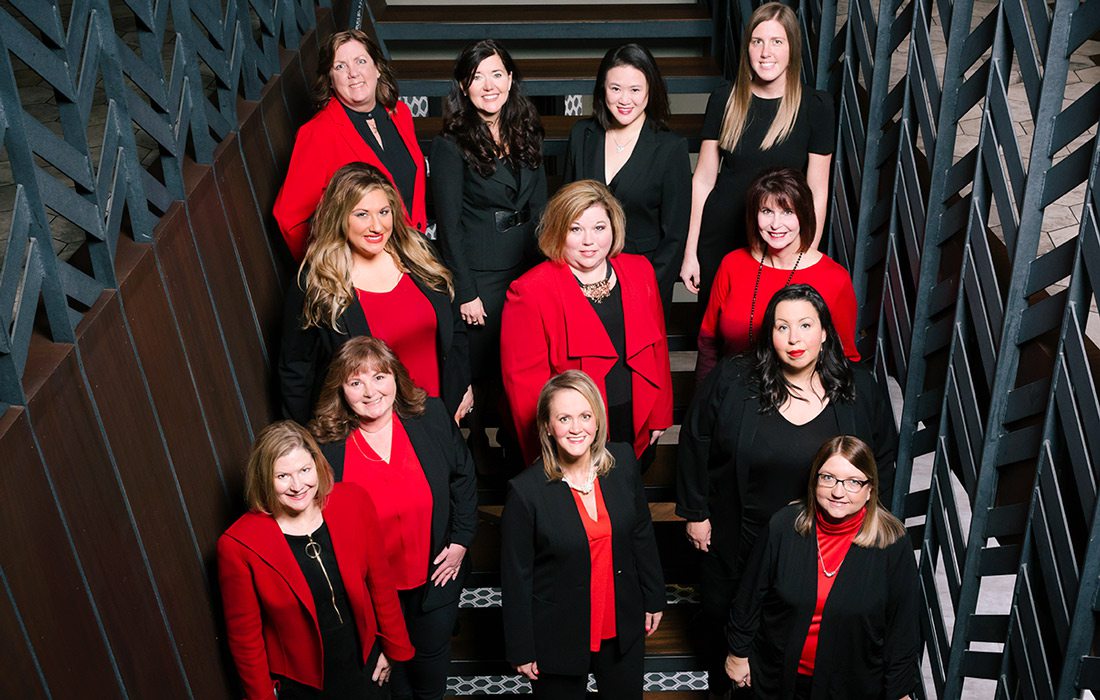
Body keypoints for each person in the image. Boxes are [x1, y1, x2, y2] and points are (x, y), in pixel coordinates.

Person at [676, 284, 897, 698]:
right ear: (769, 333)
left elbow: (882, 458)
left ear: (825, 332)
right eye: (782, 327)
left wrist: (868, 521)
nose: (794, 339)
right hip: (739, 535)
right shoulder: (734, 378)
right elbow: (696, 440)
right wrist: (695, 512)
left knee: (800, 645)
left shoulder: (860, 388)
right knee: (730, 643)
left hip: (823, 545)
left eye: (805, 325)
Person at [310, 336, 477, 700]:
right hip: (373, 591)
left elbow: (462, 476)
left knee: (430, 674)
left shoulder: (430, 416)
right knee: (392, 682)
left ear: (396, 378)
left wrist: (461, 540)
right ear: (340, 390)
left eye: (380, 377)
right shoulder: (325, 447)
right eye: (356, 382)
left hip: (436, 575)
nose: (371, 392)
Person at [218, 421, 415, 699]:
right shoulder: (239, 545)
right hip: (301, 685)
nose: (298, 485)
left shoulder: (353, 501)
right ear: (263, 479)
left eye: (304, 470)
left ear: (317, 465)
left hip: (365, 665)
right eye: (282, 476)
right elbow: (245, 640)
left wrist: (392, 648)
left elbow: (380, 581)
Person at [501, 370, 665, 699]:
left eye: (585, 416)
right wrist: (522, 647)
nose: (576, 428)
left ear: (598, 419)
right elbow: (516, 577)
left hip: (621, 624)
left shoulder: (623, 463)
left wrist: (654, 596)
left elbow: (641, 534)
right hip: (558, 633)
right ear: (548, 426)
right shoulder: (525, 492)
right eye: (564, 418)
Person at [726, 435, 919, 699]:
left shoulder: (892, 542)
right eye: (828, 478)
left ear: (870, 490)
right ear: (814, 480)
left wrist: (900, 690)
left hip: (851, 685)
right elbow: (749, 597)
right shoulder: (784, 526)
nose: (838, 492)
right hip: (777, 678)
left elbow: (903, 625)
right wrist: (737, 653)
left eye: (853, 482)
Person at [279, 163, 472, 427]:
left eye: (383, 212)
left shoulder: (419, 253)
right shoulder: (315, 283)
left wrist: (461, 386)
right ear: (340, 217)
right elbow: (296, 371)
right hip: (368, 430)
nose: (376, 226)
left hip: (440, 417)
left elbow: (454, 325)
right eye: (361, 214)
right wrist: (307, 443)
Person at [500, 180, 673, 465]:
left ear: (613, 227)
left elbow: (658, 349)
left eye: (599, 228)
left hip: (635, 417)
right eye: (575, 229)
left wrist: (660, 414)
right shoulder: (529, 291)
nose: (589, 241)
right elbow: (524, 389)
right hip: (574, 432)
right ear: (558, 231)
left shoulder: (639, 270)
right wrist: (545, 450)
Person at [430, 39, 547, 460]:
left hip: (525, 269)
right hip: (480, 277)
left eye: (496, 73)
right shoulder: (449, 145)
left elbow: (541, 208)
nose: (488, 84)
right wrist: (465, 290)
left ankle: (520, 452)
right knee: (482, 374)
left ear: (511, 78)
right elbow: (449, 226)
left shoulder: (527, 131)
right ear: (463, 86)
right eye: (477, 77)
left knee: (521, 369)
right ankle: (476, 455)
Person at [680, 2, 835, 308]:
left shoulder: (815, 106)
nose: (766, 52)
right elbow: (702, 181)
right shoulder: (725, 98)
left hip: (780, 241)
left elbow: (817, 190)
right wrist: (690, 251)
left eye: (777, 41)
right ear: (747, 47)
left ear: (792, 48)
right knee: (718, 340)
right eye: (757, 41)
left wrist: (806, 257)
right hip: (720, 237)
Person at [274, 30, 427, 261]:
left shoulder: (400, 114)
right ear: (330, 79)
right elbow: (289, 217)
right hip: (361, 268)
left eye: (361, 61)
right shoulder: (318, 132)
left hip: (412, 253)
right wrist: (331, 268)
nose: (353, 73)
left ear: (377, 69)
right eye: (340, 67)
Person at [696, 168, 859, 383]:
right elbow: (708, 341)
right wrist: (704, 399)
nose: (775, 224)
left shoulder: (834, 278)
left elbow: (845, 356)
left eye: (787, 212)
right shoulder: (732, 264)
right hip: (732, 391)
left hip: (801, 401)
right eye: (766, 211)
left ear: (804, 214)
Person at [563, 43, 691, 307]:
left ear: (650, 91)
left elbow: (675, 235)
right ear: (602, 89)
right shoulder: (581, 135)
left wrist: (650, 288)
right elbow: (566, 211)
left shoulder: (670, 147)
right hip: (583, 276)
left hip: (644, 279)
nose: (624, 100)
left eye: (635, 90)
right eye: (615, 89)